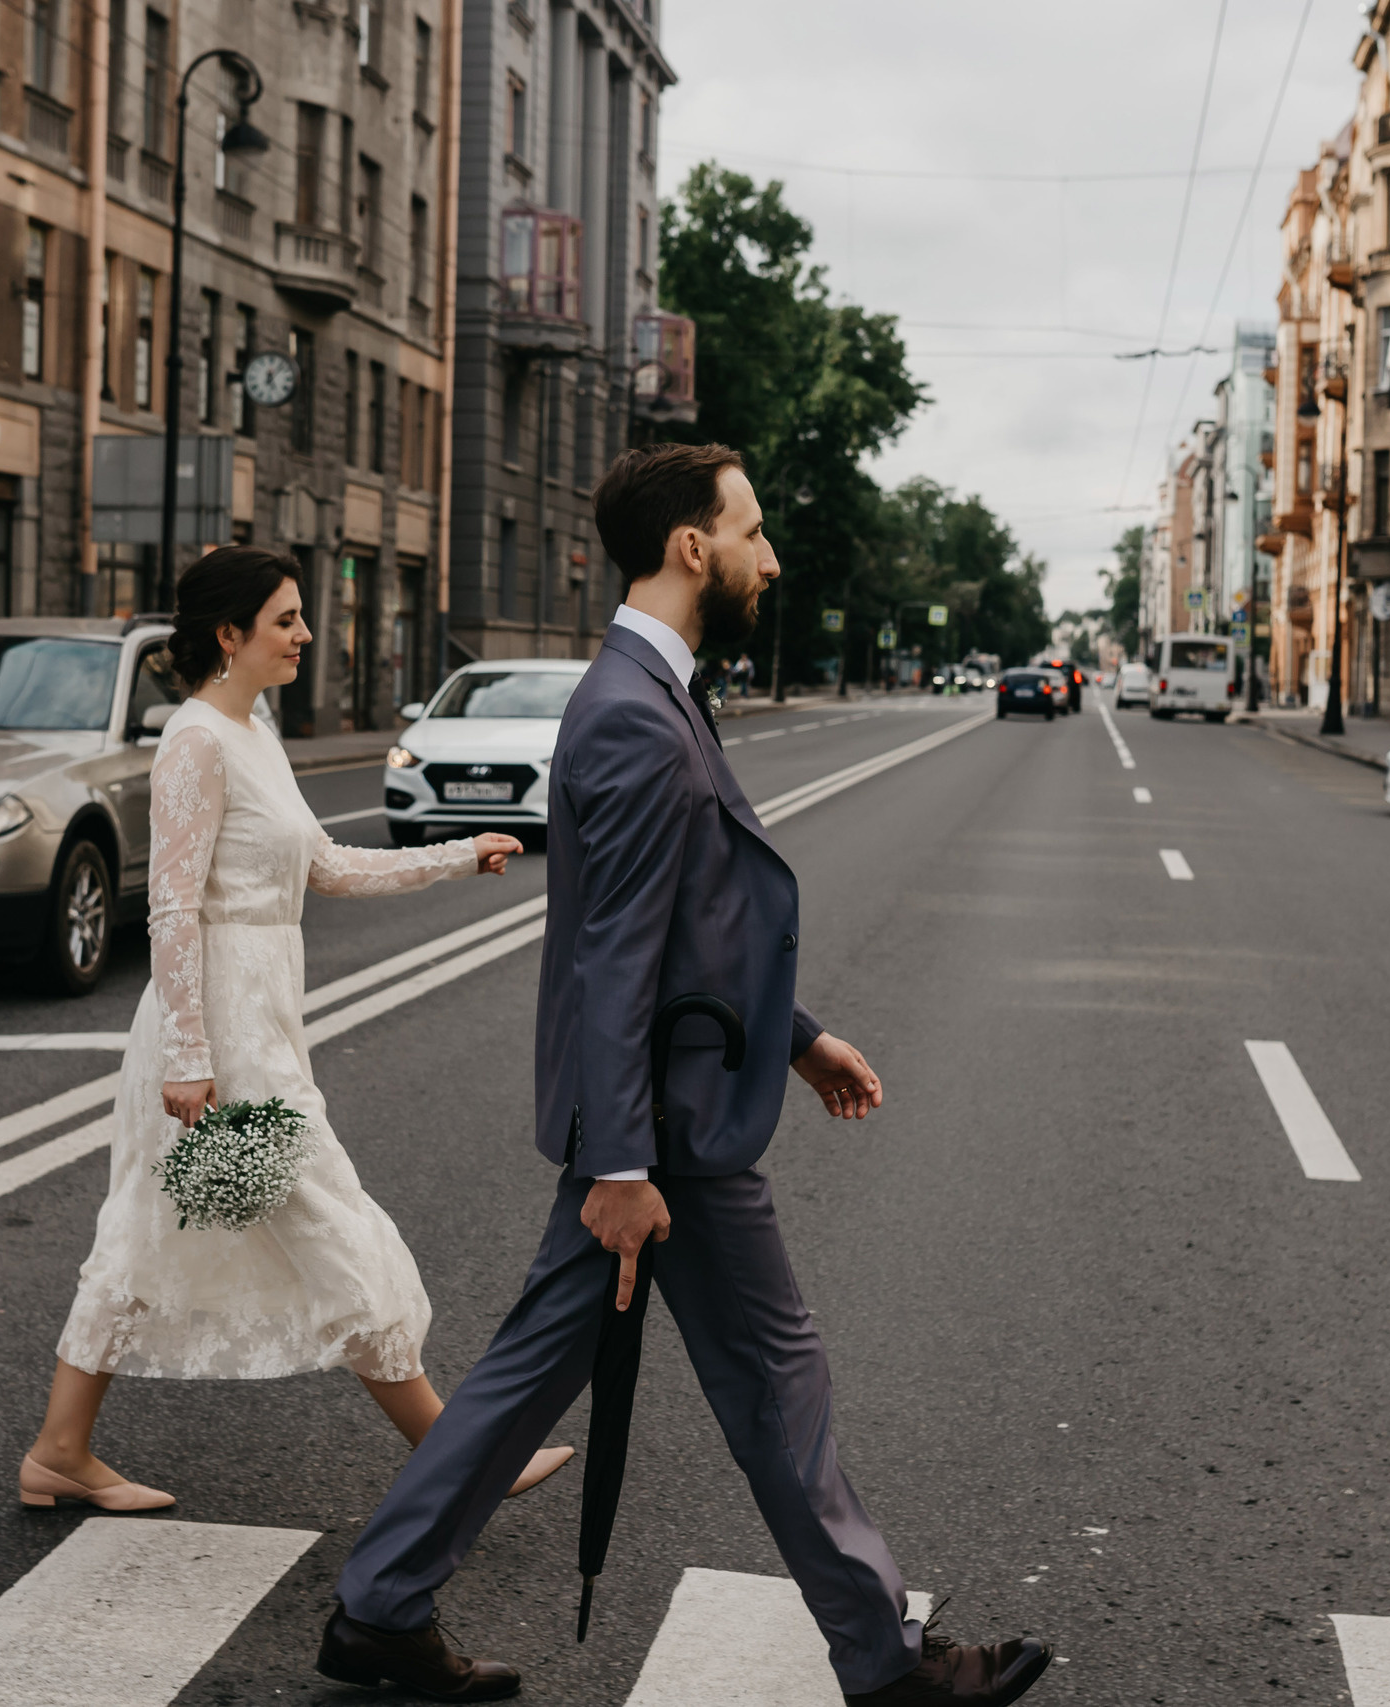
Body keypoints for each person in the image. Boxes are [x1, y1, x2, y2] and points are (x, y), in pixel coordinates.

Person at [320, 447, 1053, 1706]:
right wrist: (617, 1162)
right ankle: (886, 1667)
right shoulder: (631, 713)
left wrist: (798, 1034)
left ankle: (381, 1610)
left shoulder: (649, 695)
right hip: (665, 1133)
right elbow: (615, 958)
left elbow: (691, 929)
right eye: (753, 532)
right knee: (777, 1380)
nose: (771, 558)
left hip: (662, 1115)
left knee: (535, 1376)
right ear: (689, 547)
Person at [21, 545, 573, 1514]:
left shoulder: (251, 730)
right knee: (330, 1222)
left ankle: (61, 1450)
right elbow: (170, 909)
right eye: (285, 620)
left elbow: (326, 867)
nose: (305, 635)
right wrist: (191, 1057)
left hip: (262, 1013)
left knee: (150, 1229)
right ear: (228, 636)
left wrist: (454, 854)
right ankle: (458, 1463)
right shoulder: (195, 741)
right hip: (222, 1038)